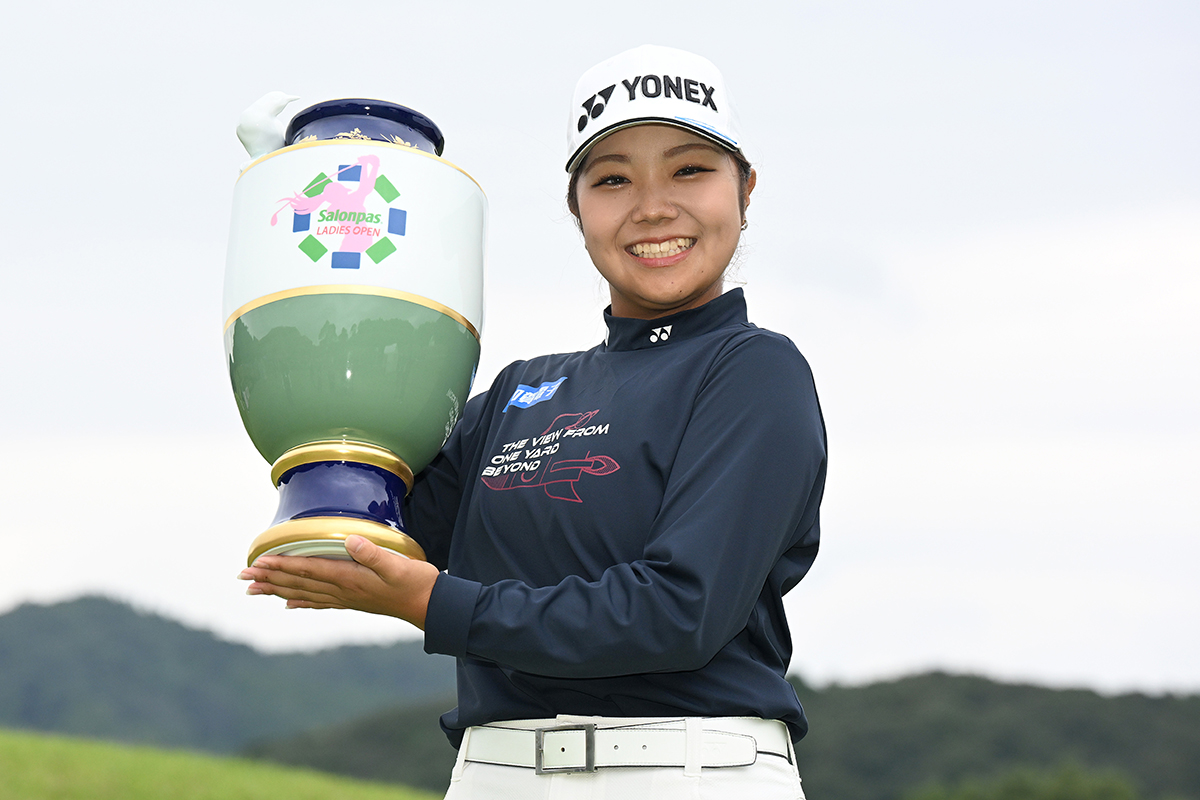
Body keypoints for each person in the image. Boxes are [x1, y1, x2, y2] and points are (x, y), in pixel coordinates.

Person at [239, 44, 827, 799]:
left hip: (688, 769)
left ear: (745, 190)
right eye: (612, 179)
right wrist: (302, 232)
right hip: (493, 774)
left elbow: (678, 612)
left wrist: (429, 602)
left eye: (689, 169)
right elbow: (371, 520)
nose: (652, 206)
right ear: (576, 207)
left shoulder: (753, 372)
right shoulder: (521, 393)